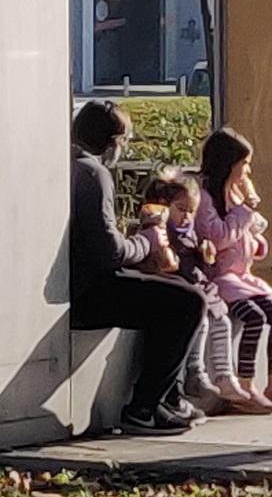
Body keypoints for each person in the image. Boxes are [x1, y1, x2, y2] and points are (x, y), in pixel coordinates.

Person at [70, 100, 206, 435]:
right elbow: (111, 252)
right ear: (111, 141)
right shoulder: (94, 174)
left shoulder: (69, 166)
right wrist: (148, 239)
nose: (124, 148)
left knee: (165, 297)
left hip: (73, 282)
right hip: (88, 291)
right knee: (189, 302)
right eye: (124, 140)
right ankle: (144, 408)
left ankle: (168, 398)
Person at [195, 128, 272, 412]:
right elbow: (220, 236)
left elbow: (248, 232)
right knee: (254, 319)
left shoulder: (234, 194)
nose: (248, 171)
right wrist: (245, 212)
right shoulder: (205, 197)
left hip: (244, 278)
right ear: (228, 163)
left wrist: (257, 243)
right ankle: (245, 385)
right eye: (244, 164)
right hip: (223, 280)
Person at [142, 173, 252, 409]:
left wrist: (205, 254)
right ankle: (196, 371)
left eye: (192, 211)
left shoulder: (190, 233)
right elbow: (165, 264)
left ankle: (223, 374)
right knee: (200, 322)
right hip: (181, 287)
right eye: (181, 209)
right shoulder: (162, 232)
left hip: (199, 286)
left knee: (222, 321)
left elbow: (199, 262)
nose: (187, 217)